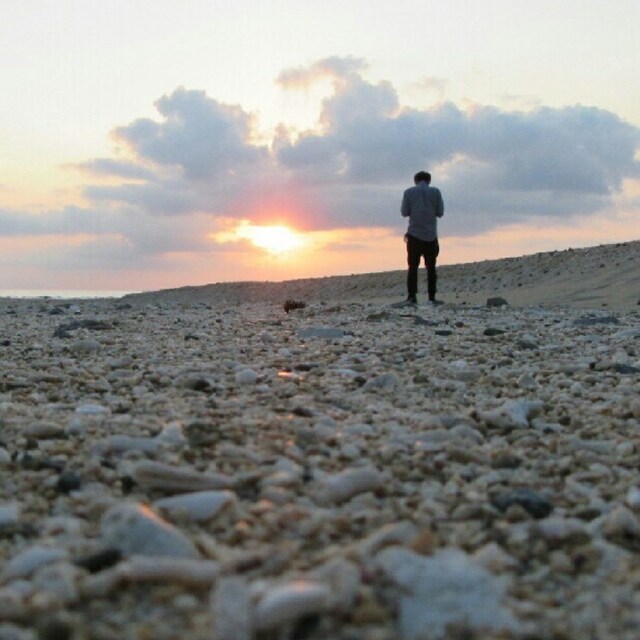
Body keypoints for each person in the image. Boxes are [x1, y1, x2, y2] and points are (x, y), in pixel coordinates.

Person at [400, 170, 444, 305]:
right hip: (431, 235)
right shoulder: (436, 192)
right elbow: (440, 212)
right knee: (431, 268)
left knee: (413, 267)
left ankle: (412, 296)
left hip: (414, 235)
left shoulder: (409, 192)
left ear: (415, 181)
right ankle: (432, 297)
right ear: (429, 180)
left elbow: (404, 212)